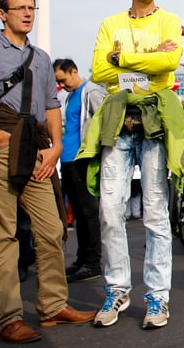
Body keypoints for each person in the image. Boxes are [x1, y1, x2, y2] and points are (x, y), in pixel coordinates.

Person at [0, 0, 95, 343]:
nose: (28, 13)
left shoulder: (42, 58)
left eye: (32, 8)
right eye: (20, 8)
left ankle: (52, 306)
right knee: (4, 234)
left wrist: (57, 146)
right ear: (3, 13)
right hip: (1, 142)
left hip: (38, 147)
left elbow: (50, 106)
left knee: (52, 229)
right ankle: (9, 318)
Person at [86, 0, 184, 329]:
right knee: (110, 211)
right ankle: (117, 289)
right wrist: (150, 58)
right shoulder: (110, 23)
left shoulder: (169, 20)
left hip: (154, 118)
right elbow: (98, 71)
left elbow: (172, 61)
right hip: (117, 118)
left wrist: (123, 57)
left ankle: (158, 297)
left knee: (156, 213)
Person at [53, 58, 106, 282]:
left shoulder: (91, 91)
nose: (62, 86)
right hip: (68, 159)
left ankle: (93, 262)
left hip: (82, 159)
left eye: (63, 80)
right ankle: (82, 259)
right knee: (78, 213)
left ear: (74, 71)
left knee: (88, 213)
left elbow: (104, 122)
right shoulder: (71, 96)